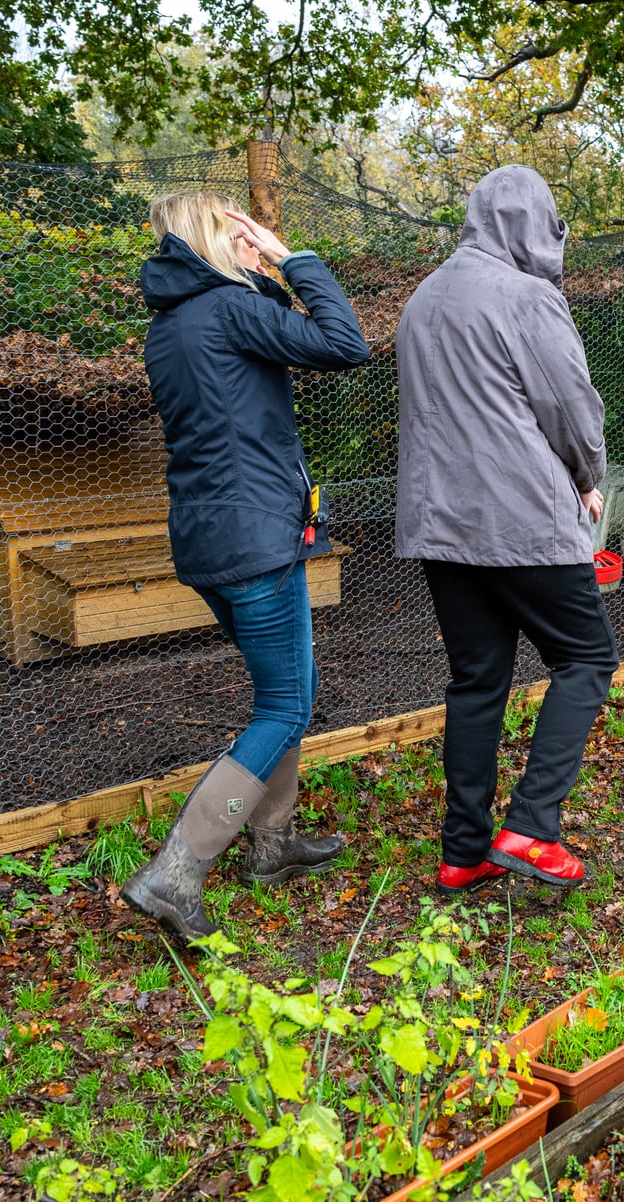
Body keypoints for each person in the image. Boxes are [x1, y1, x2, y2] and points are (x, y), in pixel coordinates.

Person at [119, 191, 370, 941]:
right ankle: (176, 872)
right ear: (211, 241)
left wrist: (258, 269)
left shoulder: (170, 326)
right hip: (254, 537)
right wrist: (298, 262)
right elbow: (345, 342)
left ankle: (273, 844)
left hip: (207, 539)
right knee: (286, 706)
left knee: (286, 692)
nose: (258, 247)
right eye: (245, 236)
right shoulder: (226, 313)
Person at [394, 165, 617, 897]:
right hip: (522, 521)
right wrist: (588, 477)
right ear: (533, 225)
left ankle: (464, 851)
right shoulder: (529, 299)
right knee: (586, 658)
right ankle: (532, 826)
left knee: (477, 682)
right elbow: (571, 408)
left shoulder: (423, 299)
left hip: (441, 527)